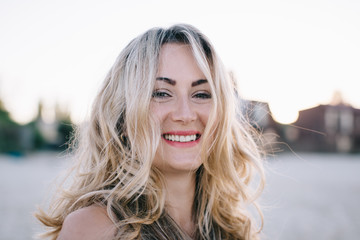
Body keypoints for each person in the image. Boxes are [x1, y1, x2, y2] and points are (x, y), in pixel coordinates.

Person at [36, 24, 265, 240]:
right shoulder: (93, 229)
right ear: (122, 117)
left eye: (201, 94)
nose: (185, 114)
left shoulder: (233, 226)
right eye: (162, 93)